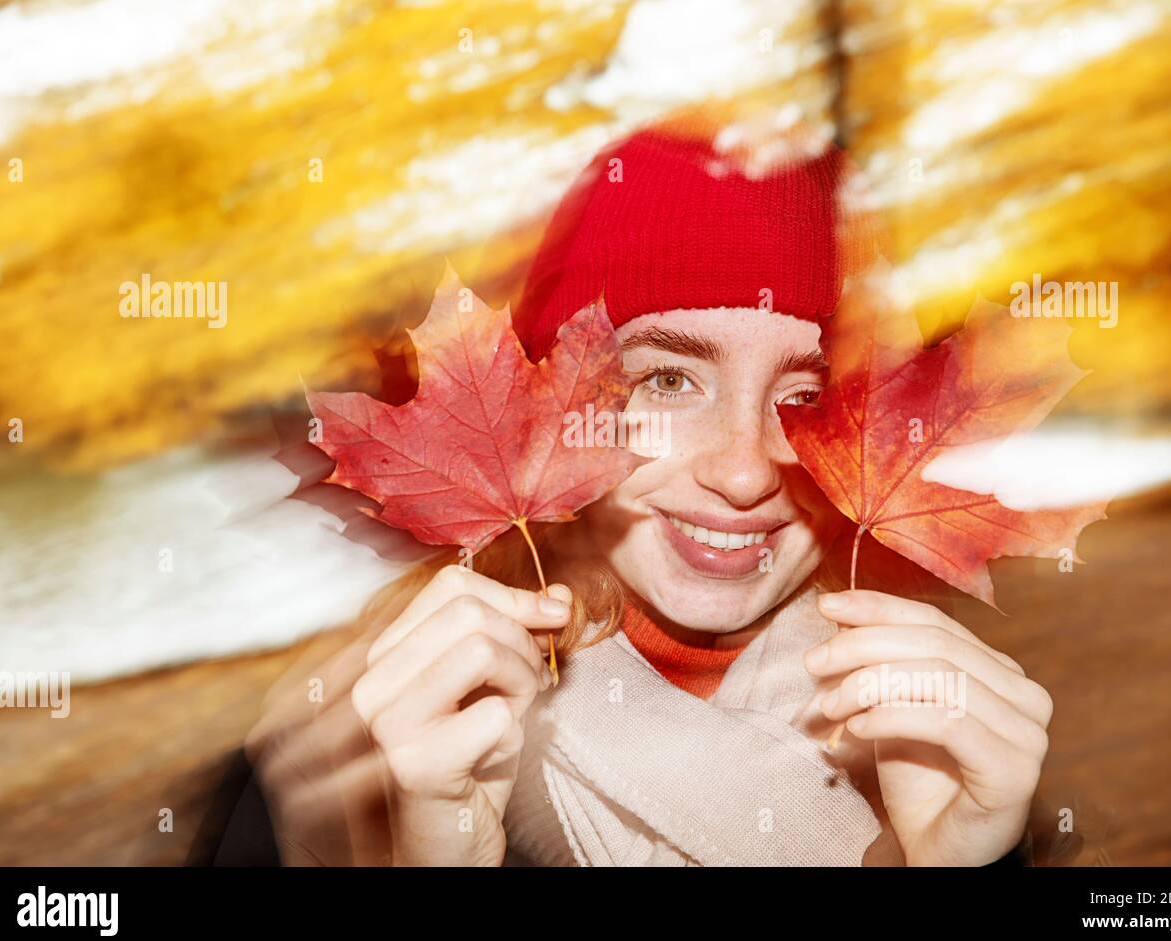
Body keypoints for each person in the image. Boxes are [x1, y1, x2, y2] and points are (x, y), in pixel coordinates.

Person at [199, 111, 1051, 867]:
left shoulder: (942, 739)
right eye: (669, 382)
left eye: (802, 399)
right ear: (546, 406)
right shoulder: (334, 755)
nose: (746, 470)